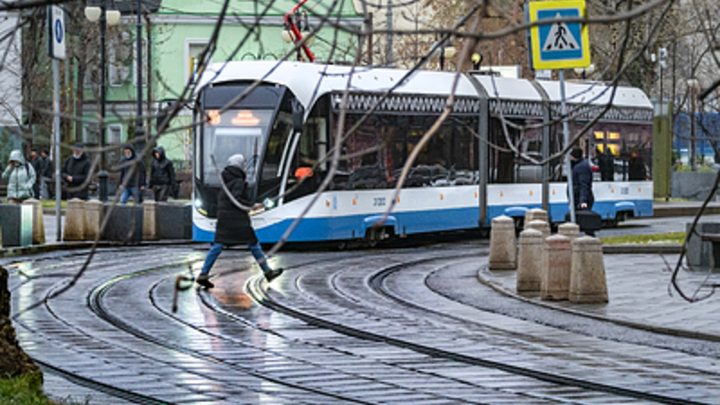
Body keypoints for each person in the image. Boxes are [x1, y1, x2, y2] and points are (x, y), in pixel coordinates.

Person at [196, 154, 283, 289]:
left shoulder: (226, 180)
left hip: (224, 218)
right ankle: (267, 272)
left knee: (217, 246)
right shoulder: (238, 181)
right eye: (243, 164)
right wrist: (252, 205)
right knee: (254, 245)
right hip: (237, 220)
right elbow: (237, 199)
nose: (244, 166)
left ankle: (203, 274)